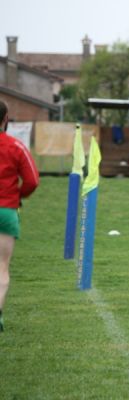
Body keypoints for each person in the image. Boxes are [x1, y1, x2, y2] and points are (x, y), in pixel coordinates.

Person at [0, 101, 40, 332]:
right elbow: (32, 180)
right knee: (2, 267)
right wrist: (17, 196)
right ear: (5, 119)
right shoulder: (15, 146)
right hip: (5, 210)